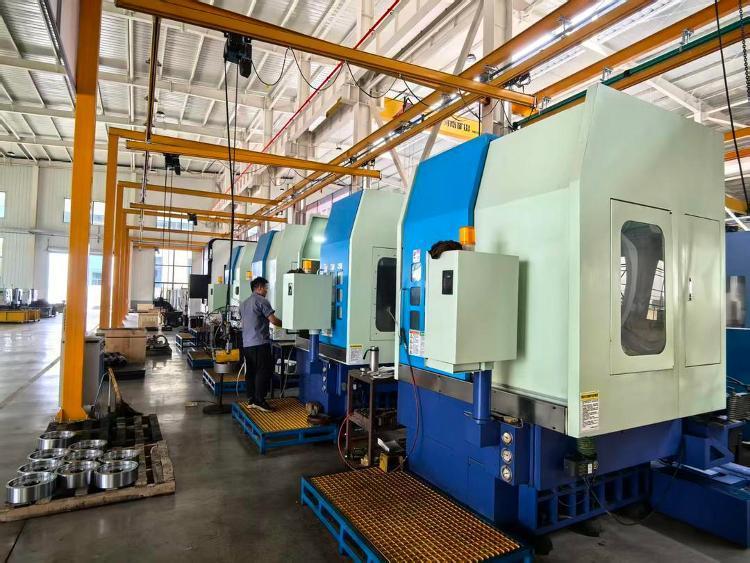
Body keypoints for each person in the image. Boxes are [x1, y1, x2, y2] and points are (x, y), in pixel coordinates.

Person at [240, 277, 282, 412]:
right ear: (258, 287)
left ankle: (252, 400)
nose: (266, 291)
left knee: (251, 372)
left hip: (246, 344)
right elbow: (273, 320)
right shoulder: (262, 301)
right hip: (259, 343)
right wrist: (288, 324)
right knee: (263, 371)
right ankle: (260, 400)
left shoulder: (244, 303)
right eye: (265, 288)